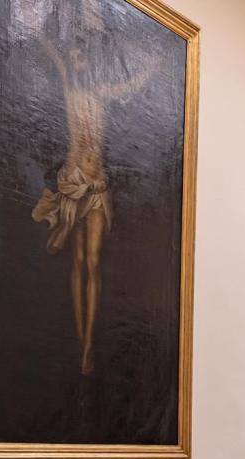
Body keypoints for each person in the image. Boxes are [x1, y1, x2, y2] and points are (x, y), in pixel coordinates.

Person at [32, 23, 151, 376]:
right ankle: (80, 338)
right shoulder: (69, 89)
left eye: (81, 56)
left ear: (89, 60)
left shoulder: (101, 93)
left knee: (94, 263)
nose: (77, 61)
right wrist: (39, 32)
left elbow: (132, 86)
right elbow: (52, 54)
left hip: (97, 187)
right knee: (78, 262)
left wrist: (151, 69)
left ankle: (88, 347)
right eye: (73, 57)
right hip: (73, 182)